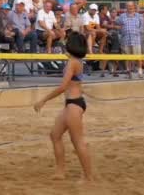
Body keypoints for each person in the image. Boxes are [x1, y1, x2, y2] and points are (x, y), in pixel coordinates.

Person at [33, 32, 92, 182]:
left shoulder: (73, 62)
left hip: (74, 104)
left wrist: (43, 100)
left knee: (77, 141)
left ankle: (88, 176)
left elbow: (62, 87)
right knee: (55, 135)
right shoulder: (75, 60)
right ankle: (60, 171)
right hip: (72, 103)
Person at [117, 1, 144, 79]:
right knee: (127, 57)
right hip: (125, 40)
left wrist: (137, 32)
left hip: (136, 40)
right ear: (126, 7)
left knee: (138, 57)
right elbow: (117, 24)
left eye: (131, 6)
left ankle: (140, 72)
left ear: (134, 7)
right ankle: (128, 72)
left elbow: (142, 27)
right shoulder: (122, 16)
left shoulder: (139, 16)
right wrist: (121, 31)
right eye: (128, 6)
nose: (130, 7)